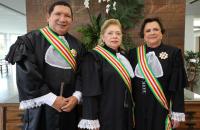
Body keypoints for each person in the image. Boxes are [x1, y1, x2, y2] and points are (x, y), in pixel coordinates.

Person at [5, 1, 85, 130]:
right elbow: (27, 73)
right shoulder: (30, 40)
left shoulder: (78, 45)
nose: (62, 19)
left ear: (72, 20)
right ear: (48, 17)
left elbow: (83, 73)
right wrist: (52, 99)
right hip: (41, 109)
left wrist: (76, 97)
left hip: (68, 108)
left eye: (67, 16)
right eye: (57, 14)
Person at [128, 17, 187, 130]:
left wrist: (177, 112)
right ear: (143, 35)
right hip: (139, 111)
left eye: (156, 29)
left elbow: (178, 86)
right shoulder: (133, 54)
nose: (152, 33)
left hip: (162, 110)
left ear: (161, 33)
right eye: (148, 30)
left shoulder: (173, 53)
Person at [77, 19, 135, 130]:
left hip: (124, 113)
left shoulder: (124, 57)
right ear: (103, 37)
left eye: (118, 33)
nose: (115, 36)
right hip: (105, 114)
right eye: (110, 33)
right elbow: (90, 89)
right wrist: (91, 118)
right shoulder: (93, 56)